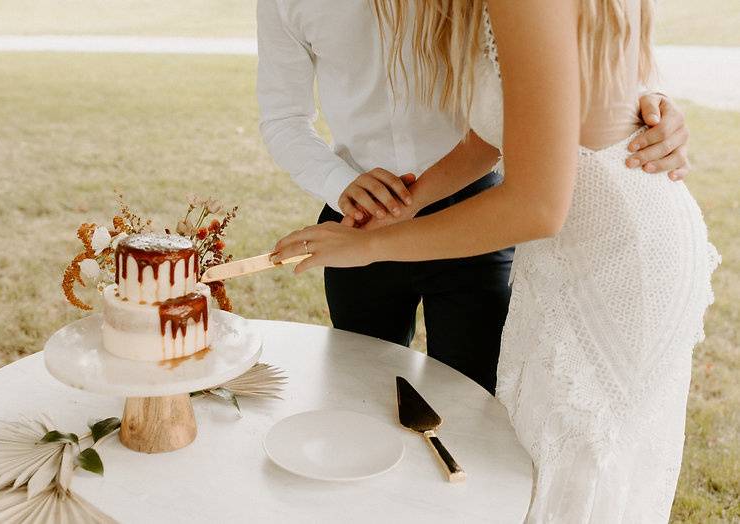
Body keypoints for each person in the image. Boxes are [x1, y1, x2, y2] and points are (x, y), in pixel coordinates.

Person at [272, 0, 718, 520]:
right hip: (570, 248)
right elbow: (497, 130)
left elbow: (536, 205)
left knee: (572, 471)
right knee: (532, 453)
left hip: (613, 260)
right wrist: (402, 208)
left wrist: (366, 247)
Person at [257, 0, 691, 394]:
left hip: (485, 213)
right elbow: (282, 117)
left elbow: (579, 41)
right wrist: (341, 183)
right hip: (360, 217)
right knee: (364, 393)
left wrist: (639, 104)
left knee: (478, 398)